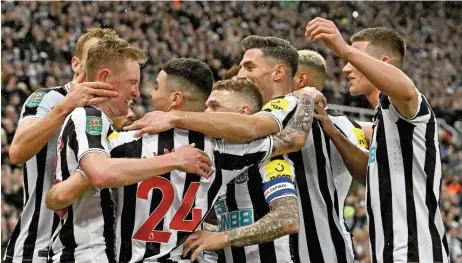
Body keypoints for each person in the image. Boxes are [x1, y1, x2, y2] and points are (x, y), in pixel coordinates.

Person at [48, 58, 314, 263]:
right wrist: (304, 97)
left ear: (175, 99)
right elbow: (293, 139)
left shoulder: (121, 143)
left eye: (155, 87)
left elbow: (58, 198)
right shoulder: (225, 152)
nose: (147, 95)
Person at [127, 36, 353, 263]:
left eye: (250, 66)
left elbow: (287, 217)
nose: (207, 115)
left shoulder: (267, 141)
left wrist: (305, 97)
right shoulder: (218, 153)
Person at [47, 39, 213, 263]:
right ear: (105, 77)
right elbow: (100, 173)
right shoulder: (88, 116)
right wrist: (174, 159)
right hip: (85, 252)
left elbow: (59, 195)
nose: (136, 92)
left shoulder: (104, 125)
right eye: (132, 83)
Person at [306, 17, 449, 263]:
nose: (346, 68)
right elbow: (371, 176)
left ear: (384, 64)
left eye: (353, 60)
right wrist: (333, 133)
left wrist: (344, 49)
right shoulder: (381, 123)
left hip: (416, 254)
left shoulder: (408, 107)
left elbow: (405, 89)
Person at [3, 28, 119, 263]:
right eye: (94, 59)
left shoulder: (113, 116)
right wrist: (66, 107)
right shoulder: (49, 98)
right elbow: (16, 152)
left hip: (87, 251)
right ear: (76, 64)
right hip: (36, 247)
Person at [293, 49, 368, 259]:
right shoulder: (349, 125)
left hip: (324, 246)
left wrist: (333, 134)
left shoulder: (343, 125)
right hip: (324, 245)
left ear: (301, 79)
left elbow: (366, 173)